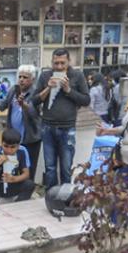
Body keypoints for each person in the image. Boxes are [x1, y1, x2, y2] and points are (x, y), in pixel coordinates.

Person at [33, 48, 91, 189]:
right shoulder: (45, 76)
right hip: (48, 128)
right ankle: (51, 197)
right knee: (50, 167)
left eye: (62, 63)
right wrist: (48, 88)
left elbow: (86, 100)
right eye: (56, 63)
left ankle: (65, 198)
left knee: (66, 168)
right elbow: (34, 100)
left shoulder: (77, 75)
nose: (59, 67)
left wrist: (69, 90)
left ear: (69, 62)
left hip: (67, 128)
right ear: (52, 62)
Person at [0, 65, 42, 183]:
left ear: (32, 79)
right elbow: (4, 104)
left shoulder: (36, 93)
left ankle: (27, 192)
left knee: (28, 169)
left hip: (30, 139)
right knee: (12, 166)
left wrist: (24, 104)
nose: (21, 79)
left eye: (25, 77)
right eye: (20, 76)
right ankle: (13, 190)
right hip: (13, 139)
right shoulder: (14, 89)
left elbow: (35, 115)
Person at [0, 128, 35, 205]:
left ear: (18, 146)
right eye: (5, 146)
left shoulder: (22, 151)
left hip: (11, 183)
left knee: (30, 184)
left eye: (13, 147)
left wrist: (14, 179)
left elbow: (26, 174)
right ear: (1, 143)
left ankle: (17, 206)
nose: (9, 150)